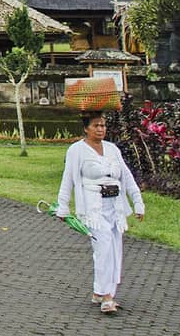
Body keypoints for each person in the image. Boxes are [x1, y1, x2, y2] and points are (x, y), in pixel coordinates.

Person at [55, 110, 145, 314]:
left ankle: (101, 290)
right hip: (93, 207)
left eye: (103, 125)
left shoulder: (112, 149)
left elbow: (127, 177)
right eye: (96, 125)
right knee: (103, 247)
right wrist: (63, 206)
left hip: (115, 205)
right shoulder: (77, 151)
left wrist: (138, 202)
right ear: (86, 128)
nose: (100, 129)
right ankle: (107, 296)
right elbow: (68, 178)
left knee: (114, 248)